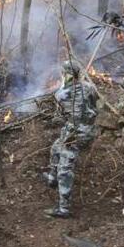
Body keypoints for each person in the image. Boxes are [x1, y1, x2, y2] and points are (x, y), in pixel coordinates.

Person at [42, 60, 98, 218]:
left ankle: (64, 208)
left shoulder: (62, 94)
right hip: (85, 129)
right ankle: (52, 178)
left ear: (66, 75)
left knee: (65, 168)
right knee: (55, 146)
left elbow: (59, 117)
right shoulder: (90, 87)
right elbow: (94, 103)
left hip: (76, 134)